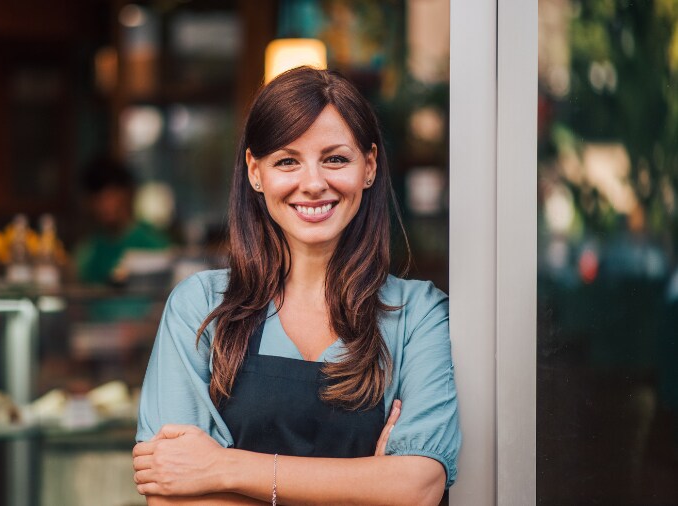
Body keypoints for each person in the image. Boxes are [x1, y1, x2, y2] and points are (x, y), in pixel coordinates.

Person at [133, 67, 460, 505]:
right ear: (255, 172)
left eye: (336, 159)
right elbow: (172, 497)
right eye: (287, 161)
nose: (312, 183)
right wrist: (368, 485)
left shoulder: (417, 313)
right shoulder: (200, 307)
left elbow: (417, 488)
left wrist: (222, 468)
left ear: (369, 166)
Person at [73, 157, 170, 284]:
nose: (105, 204)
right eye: (98, 197)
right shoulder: (89, 250)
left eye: (111, 194)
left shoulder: (153, 244)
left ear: (127, 193)